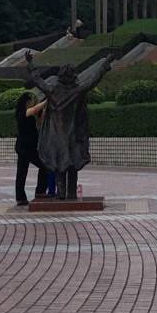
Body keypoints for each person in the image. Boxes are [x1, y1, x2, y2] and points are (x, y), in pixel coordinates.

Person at [24, 50, 112, 200]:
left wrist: (31, 63)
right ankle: (71, 194)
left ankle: (61, 194)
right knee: (72, 164)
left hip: (56, 136)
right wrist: (106, 63)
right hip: (73, 135)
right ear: (73, 76)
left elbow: (38, 80)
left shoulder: (52, 90)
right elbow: (93, 80)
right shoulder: (78, 91)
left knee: (60, 165)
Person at [14, 92, 50, 206]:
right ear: (25, 102)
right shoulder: (22, 113)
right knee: (22, 173)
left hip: (31, 147)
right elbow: (34, 110)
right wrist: (46, 101)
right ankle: (22, 197)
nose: (31, 103)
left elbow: (40, 120)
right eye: (30, 101)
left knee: (43, 166)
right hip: (24, 148)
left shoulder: (30, 114)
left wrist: (44, 110)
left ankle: (39, 191)